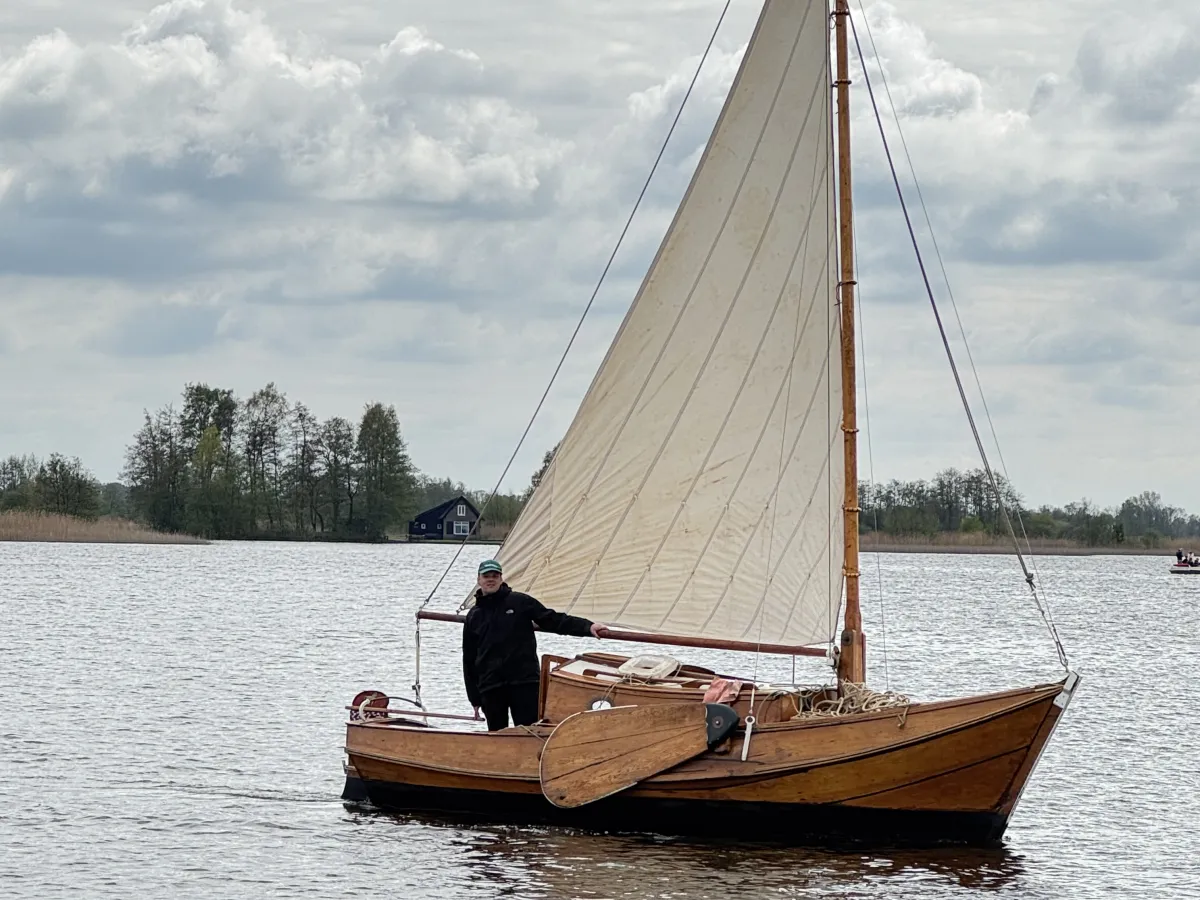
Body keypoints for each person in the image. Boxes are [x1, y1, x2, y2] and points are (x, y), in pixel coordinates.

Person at [463, 558, 603, 731]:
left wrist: (587, 627)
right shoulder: (473, 615)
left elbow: (552, 620)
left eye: (495, 575)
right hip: (491, 686)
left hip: (524, 683)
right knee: (497, 738)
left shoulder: (519, 602)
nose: (490, 579)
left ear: (501, 578)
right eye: (486, 576)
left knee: (530, 733)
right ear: (479, 580)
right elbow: (469, 660)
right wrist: (474, 699)